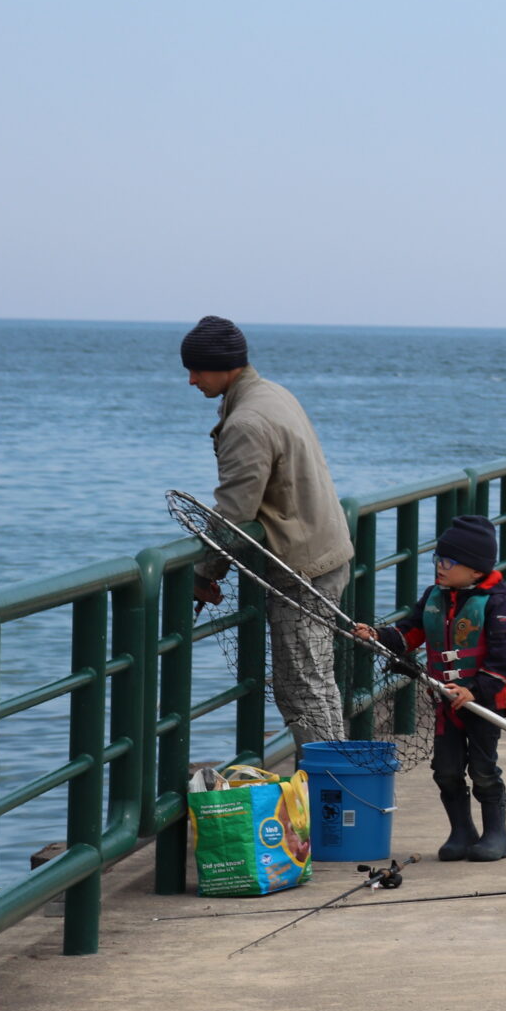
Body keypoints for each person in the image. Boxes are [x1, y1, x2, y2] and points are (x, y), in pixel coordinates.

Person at [182, 316, 353, 750]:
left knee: (301, 689)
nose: (191, 380)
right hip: (324, 553)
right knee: (316, 681)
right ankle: (335, 784)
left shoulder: (246, 422)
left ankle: (330, 789)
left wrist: (205, 574)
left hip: (302, 568)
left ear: (223, 367)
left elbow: (234, 512)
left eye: (197, 369)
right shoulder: (274, 394)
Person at [354, 515, 506, 862]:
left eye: (448, 562)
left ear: (475, 570)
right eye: (437, 559)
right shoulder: (433, 596)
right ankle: (461, 831)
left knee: (484, 770)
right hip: (444, 703)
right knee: (445, 769)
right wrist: (379, 636)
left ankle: (495, 834)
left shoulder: (494, 603)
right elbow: (409, 632)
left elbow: (504, 657)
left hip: (482, 703)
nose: (439, 567)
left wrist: (475, 687)